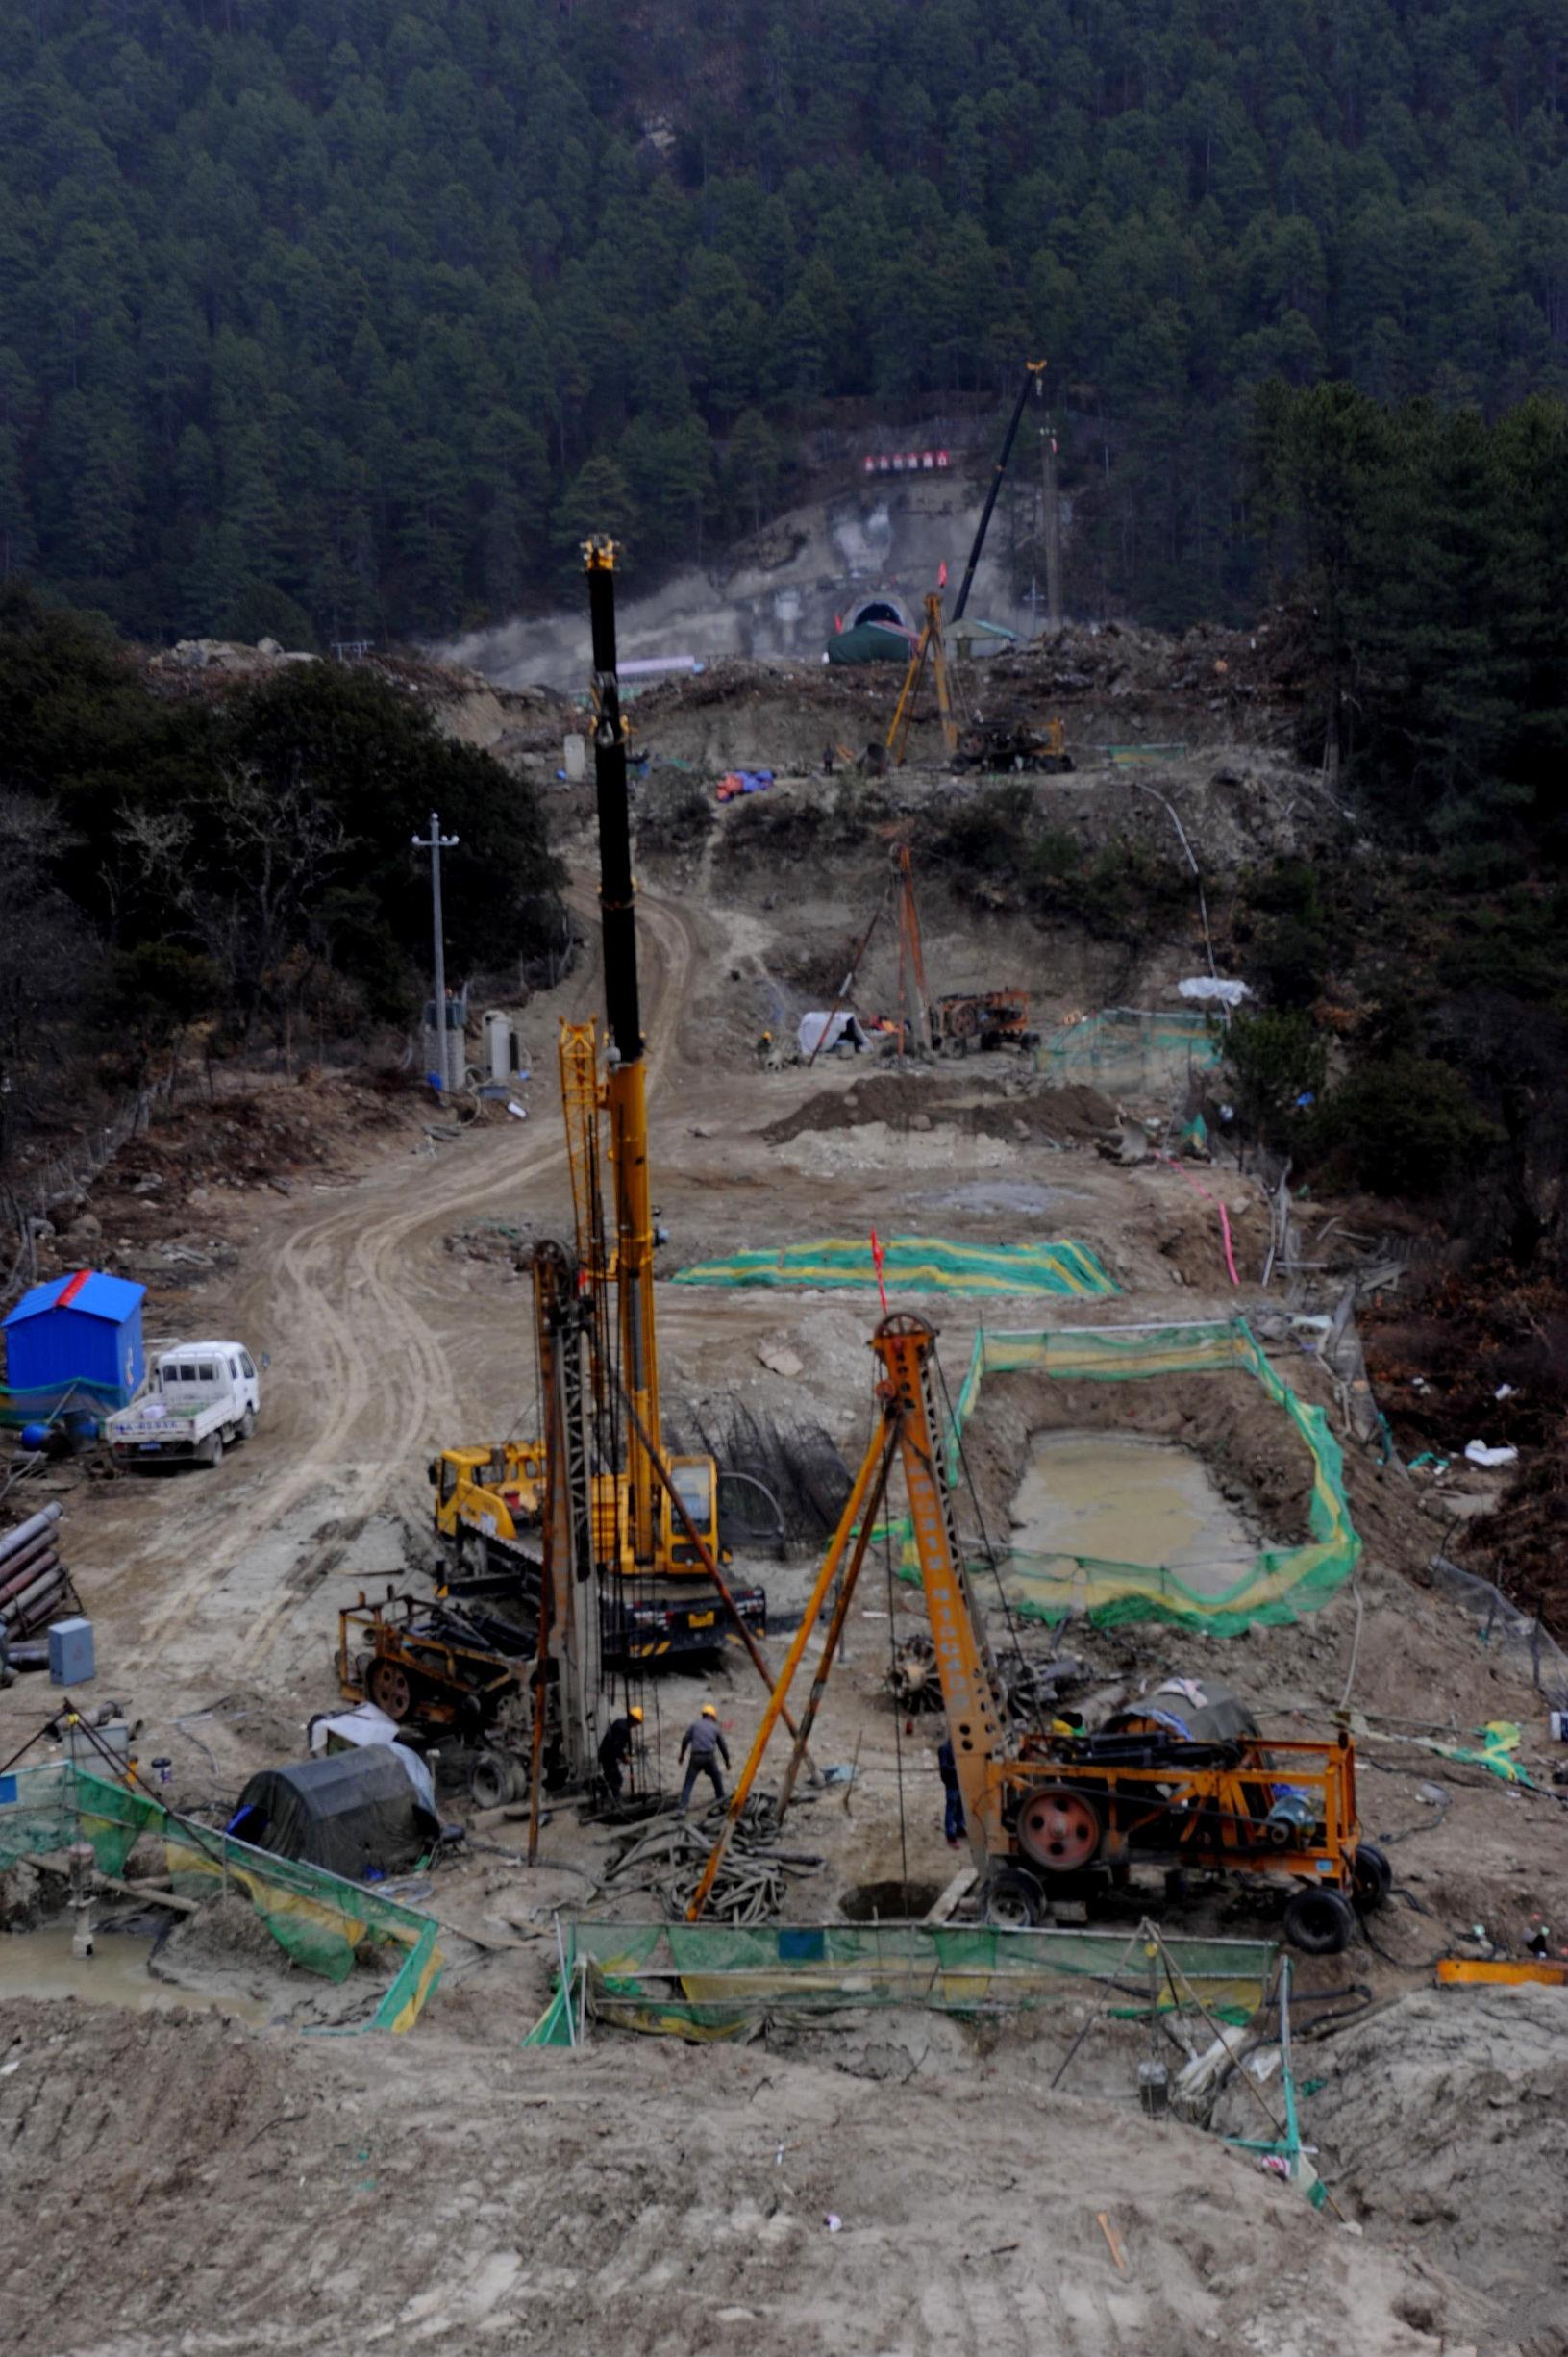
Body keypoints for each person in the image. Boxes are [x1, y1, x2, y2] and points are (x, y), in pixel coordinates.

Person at [678, 1702, 731, 1814]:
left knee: (689, 1782)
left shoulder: (695, 1725)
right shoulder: (715, 1728)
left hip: (696, 1757)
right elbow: (723, 1747)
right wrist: (727, 1762)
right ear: (712, 1716)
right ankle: (722, 1803)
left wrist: (682, 1755)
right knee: (717, 1779)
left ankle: (682, 1808)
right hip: (709, 1757)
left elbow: (685, 1740)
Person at [598, 1704, 643, 1801]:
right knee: (617, 1779)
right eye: (637, 1723)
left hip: (605, 1753)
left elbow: (617, 1743)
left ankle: (603, 1790)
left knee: (610, 1776)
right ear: (634, 1720)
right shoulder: (623, 1730)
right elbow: (617, 1747)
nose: (636, 1726)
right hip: (608, 1756)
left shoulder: (620, 1722)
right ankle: (616, 1800)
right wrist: (624, 1758)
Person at [937, 1734, 965, 1848]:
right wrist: (957, 1767)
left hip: (960, 1782)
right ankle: (950, 1834)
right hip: (952, 1783)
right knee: (951, 1808)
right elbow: (944, 1767)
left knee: (960, 1806)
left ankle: (960, 1827)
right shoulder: (944, 1748)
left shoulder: (958, 1748)